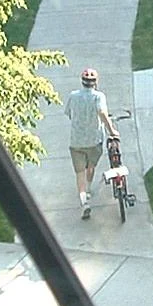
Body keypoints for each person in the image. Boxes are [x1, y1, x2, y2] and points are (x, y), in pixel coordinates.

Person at [63, 66, 118, 218]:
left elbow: (68, 113)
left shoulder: (73, 96)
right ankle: (88, 188)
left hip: (76, 142)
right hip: (94, 140)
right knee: (91, 166)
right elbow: (102, 113)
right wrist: (111, 130)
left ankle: (84, 202)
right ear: (95, 82)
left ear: (82, 81)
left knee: (79, 173)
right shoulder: (98, 96)